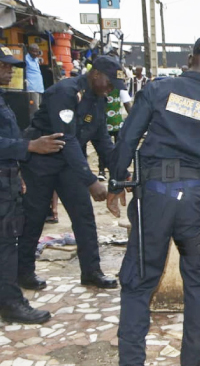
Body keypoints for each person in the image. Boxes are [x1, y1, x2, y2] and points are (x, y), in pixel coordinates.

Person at [108, 36, 200, 366]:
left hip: (154, 195)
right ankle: (193, 361)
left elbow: (128, 136)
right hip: (195, 202)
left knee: (139, 282)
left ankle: (131, 361)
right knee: (198, 282)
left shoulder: (159, 90)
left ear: (189, 59)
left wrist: (116, 181)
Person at [18, 56, 126, 291]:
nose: (110, 90)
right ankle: (24, 273)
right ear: (95, 73)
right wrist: (90, 180)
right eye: (109, 83)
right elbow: (65, 137)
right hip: (41, 161)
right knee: (34, 219)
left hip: (69, 164)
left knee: (84, 217)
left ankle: (91, 272)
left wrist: (121, 171)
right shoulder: (66, 92)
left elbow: (102, 140)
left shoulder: (99, 100)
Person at [0, 46, 65, 324]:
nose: (8, 71)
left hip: (8, 178)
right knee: (5, 245)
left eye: (10, 67)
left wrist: (19, 174)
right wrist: (30, 146)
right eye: (3, 66)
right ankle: (12, 303)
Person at [97, 87, 133, 181]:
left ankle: (116, 171)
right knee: (103, 148)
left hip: (115, 124)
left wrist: (133, 118)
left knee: (116, 149)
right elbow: (127, 105)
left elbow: (127, 104)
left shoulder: (119, 89)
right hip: (106, 123)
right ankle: (102, 170)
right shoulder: (102, 89)